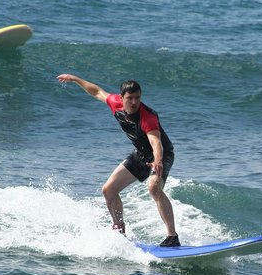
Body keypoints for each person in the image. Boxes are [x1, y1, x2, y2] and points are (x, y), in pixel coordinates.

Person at [56, 73, 181, 247]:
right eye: (130, 98)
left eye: (137, 98)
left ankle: (172, 237)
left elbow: (156, 142)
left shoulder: (148, 117)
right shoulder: (115, 104)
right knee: (108, 190)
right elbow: (97, 91)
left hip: (162, 155)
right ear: (121, 98)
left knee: (154, 187)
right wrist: (75, 79)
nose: (134, 102)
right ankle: (119, 229)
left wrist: (158, 161)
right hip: (140, 154)